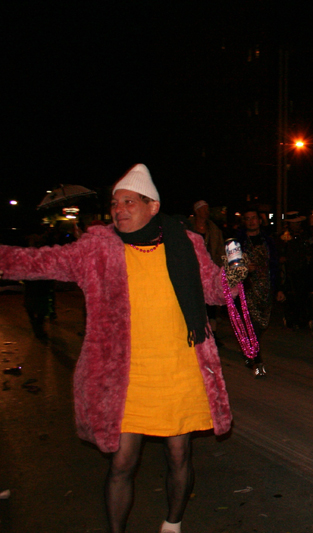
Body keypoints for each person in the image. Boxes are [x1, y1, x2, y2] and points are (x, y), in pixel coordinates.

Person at [0, 164, 243, 533]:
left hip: (180, 368)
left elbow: (213, 291)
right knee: (122, 463)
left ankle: (172, 525)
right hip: (126, 374)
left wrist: (234, 278)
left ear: (153, 206)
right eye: (115, 203)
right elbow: (38, 261)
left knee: (179, 455)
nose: (119, 209)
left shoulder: (186, 243)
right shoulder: (97, 247)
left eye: (129, 201)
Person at [236, 207, 282, 377]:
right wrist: (243, 268)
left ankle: (249, 350)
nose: (251, 221)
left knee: (262, 324)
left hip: (266, 288)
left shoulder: (268, 241)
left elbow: (275, 265)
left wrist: (278, 288)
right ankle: (257, 360)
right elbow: (229, 266)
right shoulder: (238, 242)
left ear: (259, 220)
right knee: (253, 325)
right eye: (247, 218)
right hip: (247, 288)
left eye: (253, 218)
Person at [188, 200, 226, 341]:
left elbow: (220, 250)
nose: (206, 212)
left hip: (209, 271)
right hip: (192, 271)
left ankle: (212, 334)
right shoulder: (187, 227)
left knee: (211, 305)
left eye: (207, 209)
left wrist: (220, 268)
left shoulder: (214, 230)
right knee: (195, 303)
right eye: (203, 209)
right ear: (197, 211)